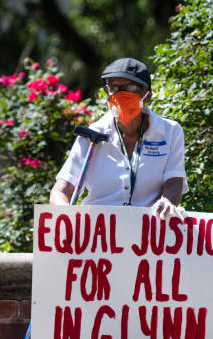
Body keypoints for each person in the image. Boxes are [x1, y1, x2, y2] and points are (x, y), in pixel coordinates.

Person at [49, 58, 187, 219]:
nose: (121, 95)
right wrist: (67, 216)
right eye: (113, 88)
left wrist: (167, 201)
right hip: (96, 231)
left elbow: (174, 182)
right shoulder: (92, 135)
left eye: (130, 87)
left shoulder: (170, 131)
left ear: (147, 95)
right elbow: (61, 190)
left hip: (148, 229)